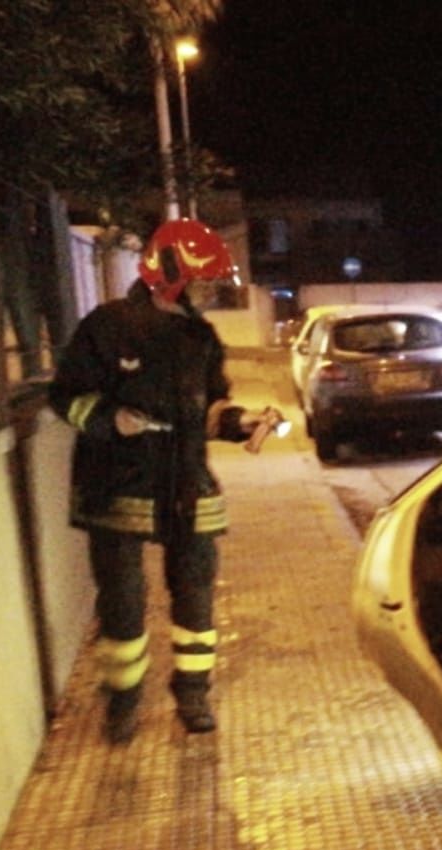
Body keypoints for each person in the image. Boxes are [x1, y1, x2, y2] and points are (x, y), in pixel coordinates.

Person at [49, 219, 285, 742]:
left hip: (186, 486)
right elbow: (65, 397)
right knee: (123, 601)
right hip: (118, 488)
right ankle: (123, 701)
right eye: (202, 281)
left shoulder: (200, 337)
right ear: (172, 274)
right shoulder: (106, 327)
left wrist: (237, 421)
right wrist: (111, 420)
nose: (208, 292)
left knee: (196, 595)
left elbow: (210, 406)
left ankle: (193, 693)